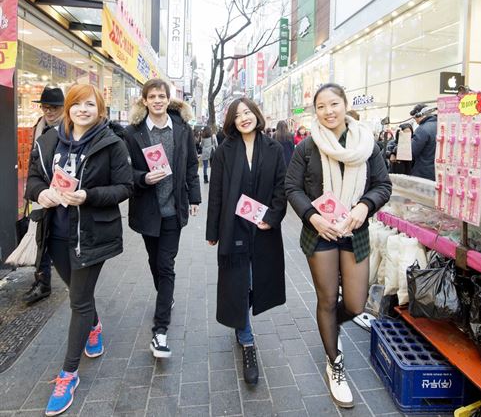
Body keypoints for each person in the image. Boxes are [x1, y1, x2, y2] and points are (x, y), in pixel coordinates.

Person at [25, 84, 132, 416]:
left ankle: (68, 375)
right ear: (68, 108)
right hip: (55, 234)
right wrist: (40, 194)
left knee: (79, 301)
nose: (83, 109)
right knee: (76, 291)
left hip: (91, 235)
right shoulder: (48, 142)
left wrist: (88, 196)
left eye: (90, 104)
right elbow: (32, 180)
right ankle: (94, 325)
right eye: (77, 104)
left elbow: (125, 187)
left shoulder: (112, 144)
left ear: (100, 110)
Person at [285, 83, 391, 408]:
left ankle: (329, 329)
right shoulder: (307, 147)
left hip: (354, 231)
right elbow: (292, 187)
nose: (329, 111)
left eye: (334, 104)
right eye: (321, 106)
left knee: (356, 305)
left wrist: (363, 207)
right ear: (315, 111)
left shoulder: (367, 144)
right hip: (320, 233)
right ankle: (334, 363)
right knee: (328, 300)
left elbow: (383, 184)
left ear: (345, 105)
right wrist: (313, 217)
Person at [206, 97, 287, 385]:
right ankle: (247, 339)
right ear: (232, 121)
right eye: (238, 114)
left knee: (257, 282)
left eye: (247, 112)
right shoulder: (225, 152)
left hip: (263, 227)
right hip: (233, 226)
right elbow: (216, 192)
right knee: (240, 282)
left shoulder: (274, 149)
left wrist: (274, 216)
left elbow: (282, 186)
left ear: (256, 115)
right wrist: (212, 232)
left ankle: (241, 320)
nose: (244, 118)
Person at [123, 79, 201, 359]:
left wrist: (194, 198)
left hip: (173, 210)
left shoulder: (181, 130)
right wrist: (143, 178)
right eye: (152, 96)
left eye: (162, 96)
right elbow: (123, 174)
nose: (157, 100)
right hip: (147, 210)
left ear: (169, 100)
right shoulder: (133, 134)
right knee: (155, 262)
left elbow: (192, 165)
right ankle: (165, 298)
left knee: (166, 266)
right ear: (144, 101)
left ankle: (160, 330)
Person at [23, 86, 65, 305]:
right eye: (45, 107)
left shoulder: (68, 130)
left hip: (60, 195)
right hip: (41, 191)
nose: (49, 111)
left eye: (54, 108)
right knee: (41, 238)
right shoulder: (39, 126)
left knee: (48, 239)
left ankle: (46, 281)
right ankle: (42, 280)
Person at [410, 103, 437, 180]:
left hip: (422, 173)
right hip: (437, 173)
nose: (416, 121)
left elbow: (412, 152)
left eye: (416, 118)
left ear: (420, 114)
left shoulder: (422, 129)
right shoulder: (442, 126)